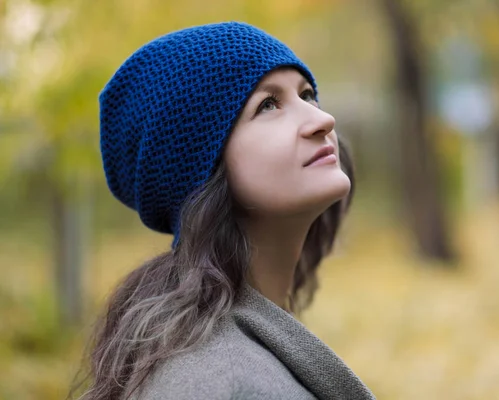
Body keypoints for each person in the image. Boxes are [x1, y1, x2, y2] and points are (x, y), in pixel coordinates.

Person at [73, 22, 375, 400]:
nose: (322, 119)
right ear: (199, 167)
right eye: (268, 104)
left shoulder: (237, 354)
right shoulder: (211, 383)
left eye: (307, 95)